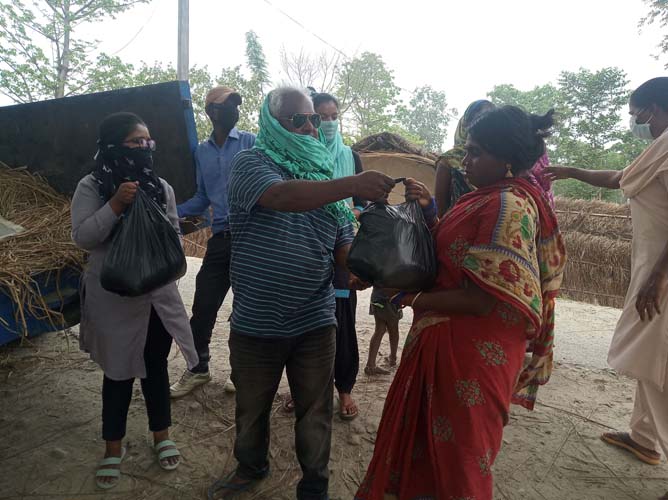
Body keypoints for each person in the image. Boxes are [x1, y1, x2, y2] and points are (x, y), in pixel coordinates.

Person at [355, 106, 566, 500]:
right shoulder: (484, 198)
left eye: (475, 152)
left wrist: (410, 297)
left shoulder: (508, 206)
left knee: (459, 464)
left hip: (469, 355)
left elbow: (481, 298)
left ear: (506, 160)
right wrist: (430, 213)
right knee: (433, 456)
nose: (465, 161)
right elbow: (457, 256)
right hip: (451, 343)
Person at [207, 87, 395, 500]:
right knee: (251, 409)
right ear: (274, 123)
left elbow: (342, 241)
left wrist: (360, 269)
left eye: (314, 120)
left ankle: (314, 487)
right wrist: (352, 184)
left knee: (315, 412)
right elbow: (282, 196)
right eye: (299, 120)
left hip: (314, 320)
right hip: (257, 321)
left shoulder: (325, 177)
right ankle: (250, 467)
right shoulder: (250, 164)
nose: (311, 127)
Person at [547, 78, 668, 490]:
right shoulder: (658, 149)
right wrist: (570, 171)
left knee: (656, 363)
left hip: (662, 278)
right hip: (650, 268)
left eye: (636, 113)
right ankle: (643, 437)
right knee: (647, 354)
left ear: (652, 109)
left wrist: (659, 278)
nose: (634, 120)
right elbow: (619, 177)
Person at [70, 112, 198, 490]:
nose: (145, 148)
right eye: (135, 142)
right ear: (112, 145)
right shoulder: (92, 185)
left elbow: (173, 235)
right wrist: (115, 206)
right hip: (114, 296)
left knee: (155, 366)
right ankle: (113, 447)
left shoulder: (161, 187)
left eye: (148, 142)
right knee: (118, 372)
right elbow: (83, 238)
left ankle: (162, 435)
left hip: (156, 294)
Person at [282, 91, 366, 420]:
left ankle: (344, 389)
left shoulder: (351, 157)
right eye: (321, 117)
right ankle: (300, 387)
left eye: (334, 116)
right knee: (304, 320)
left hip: (343, 249)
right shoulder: (296, 156)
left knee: (342, 319)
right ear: (310, 119)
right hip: (308, 249)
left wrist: (352, 212)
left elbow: (362, 202)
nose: (328, 123)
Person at [170, 86, 255, 398]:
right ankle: (198, 368)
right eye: (227, 105)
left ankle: (241, 371)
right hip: (221, 238)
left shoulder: (251, 142)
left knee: (246, 310)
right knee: (203, 305)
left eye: (236, 104)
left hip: (251, 237)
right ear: (211, 112)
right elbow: (202, 197)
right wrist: (168, 211)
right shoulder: (202, 153)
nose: (234, 109)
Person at [435, 99, 555, 216]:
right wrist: (429, 210)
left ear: (506, 157)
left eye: (475, 152)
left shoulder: (505, 209)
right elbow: (442, 215)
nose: (464, 161)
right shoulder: (502, 197)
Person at [434, 99, 495, 216]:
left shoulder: (499, 161)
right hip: (456, 226)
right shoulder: (448, 161)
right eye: (477, 120)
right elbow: (440, 207)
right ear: (465, 124)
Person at [364, 286, 402, 375]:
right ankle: (392, 358)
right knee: (393, 330)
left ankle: (370, 365)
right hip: (390, 299)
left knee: (379, 330)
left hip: (377, 298)